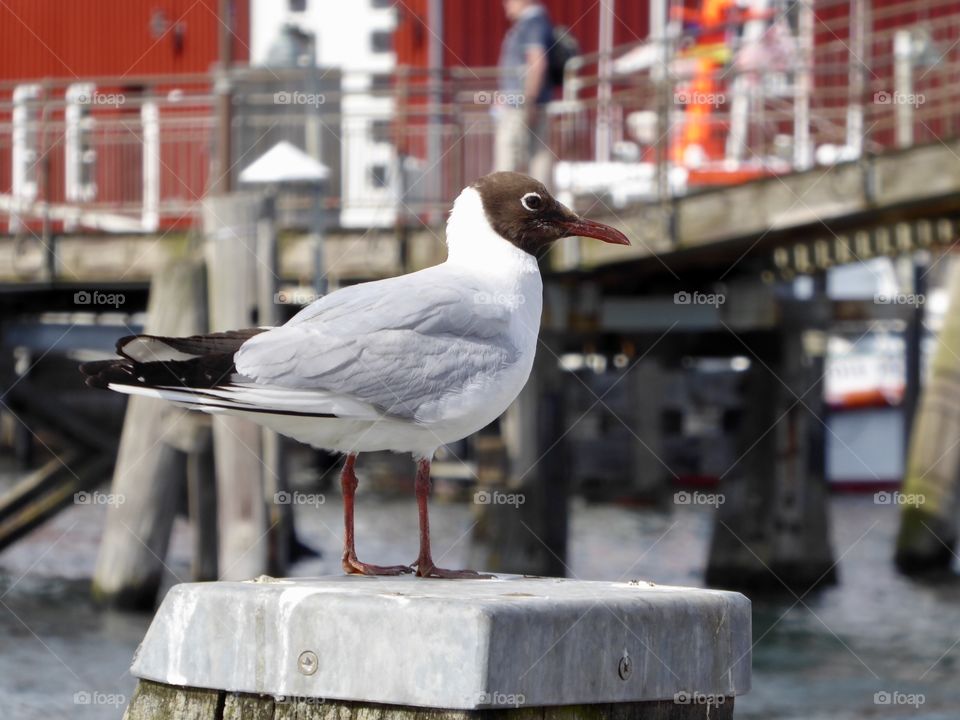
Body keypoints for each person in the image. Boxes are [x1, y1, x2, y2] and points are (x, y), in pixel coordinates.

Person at [494, 0, 555, 187]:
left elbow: (537, 63)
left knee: (509, 157)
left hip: (521, 105)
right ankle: (540, 209)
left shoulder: (532, 23)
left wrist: (529, 101)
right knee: (537, 155)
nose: (505, 4)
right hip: (526, 102)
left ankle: (500, 208)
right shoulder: (535, 22)